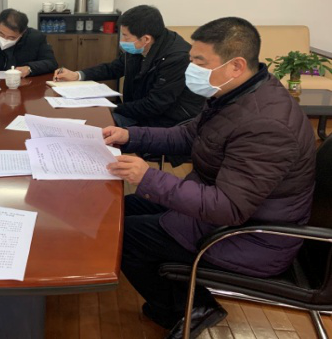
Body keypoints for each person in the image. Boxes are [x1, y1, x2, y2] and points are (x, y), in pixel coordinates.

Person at [103, 17, 316, 338]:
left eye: (200, 62)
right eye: (192, 60)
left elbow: (229, 207)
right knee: (124, 210)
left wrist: (149, 177)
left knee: (124, 236)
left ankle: (190, 308)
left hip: (250, 238)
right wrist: (129, 136)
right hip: (219, 212)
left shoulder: (265, 125)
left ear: (236, 65)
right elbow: (188, 135)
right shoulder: (235, 94)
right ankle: (177, 298)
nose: (192, 69)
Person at [53, 5, 204, 128]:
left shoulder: (177, 58)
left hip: (165, 122)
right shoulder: (141, 45)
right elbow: (114, 68)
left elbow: (154, 105)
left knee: (94, 126)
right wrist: (78, 75)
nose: (122, 41)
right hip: (139, 111)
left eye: (126, 36)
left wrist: (109, 108)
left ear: (146, 39)